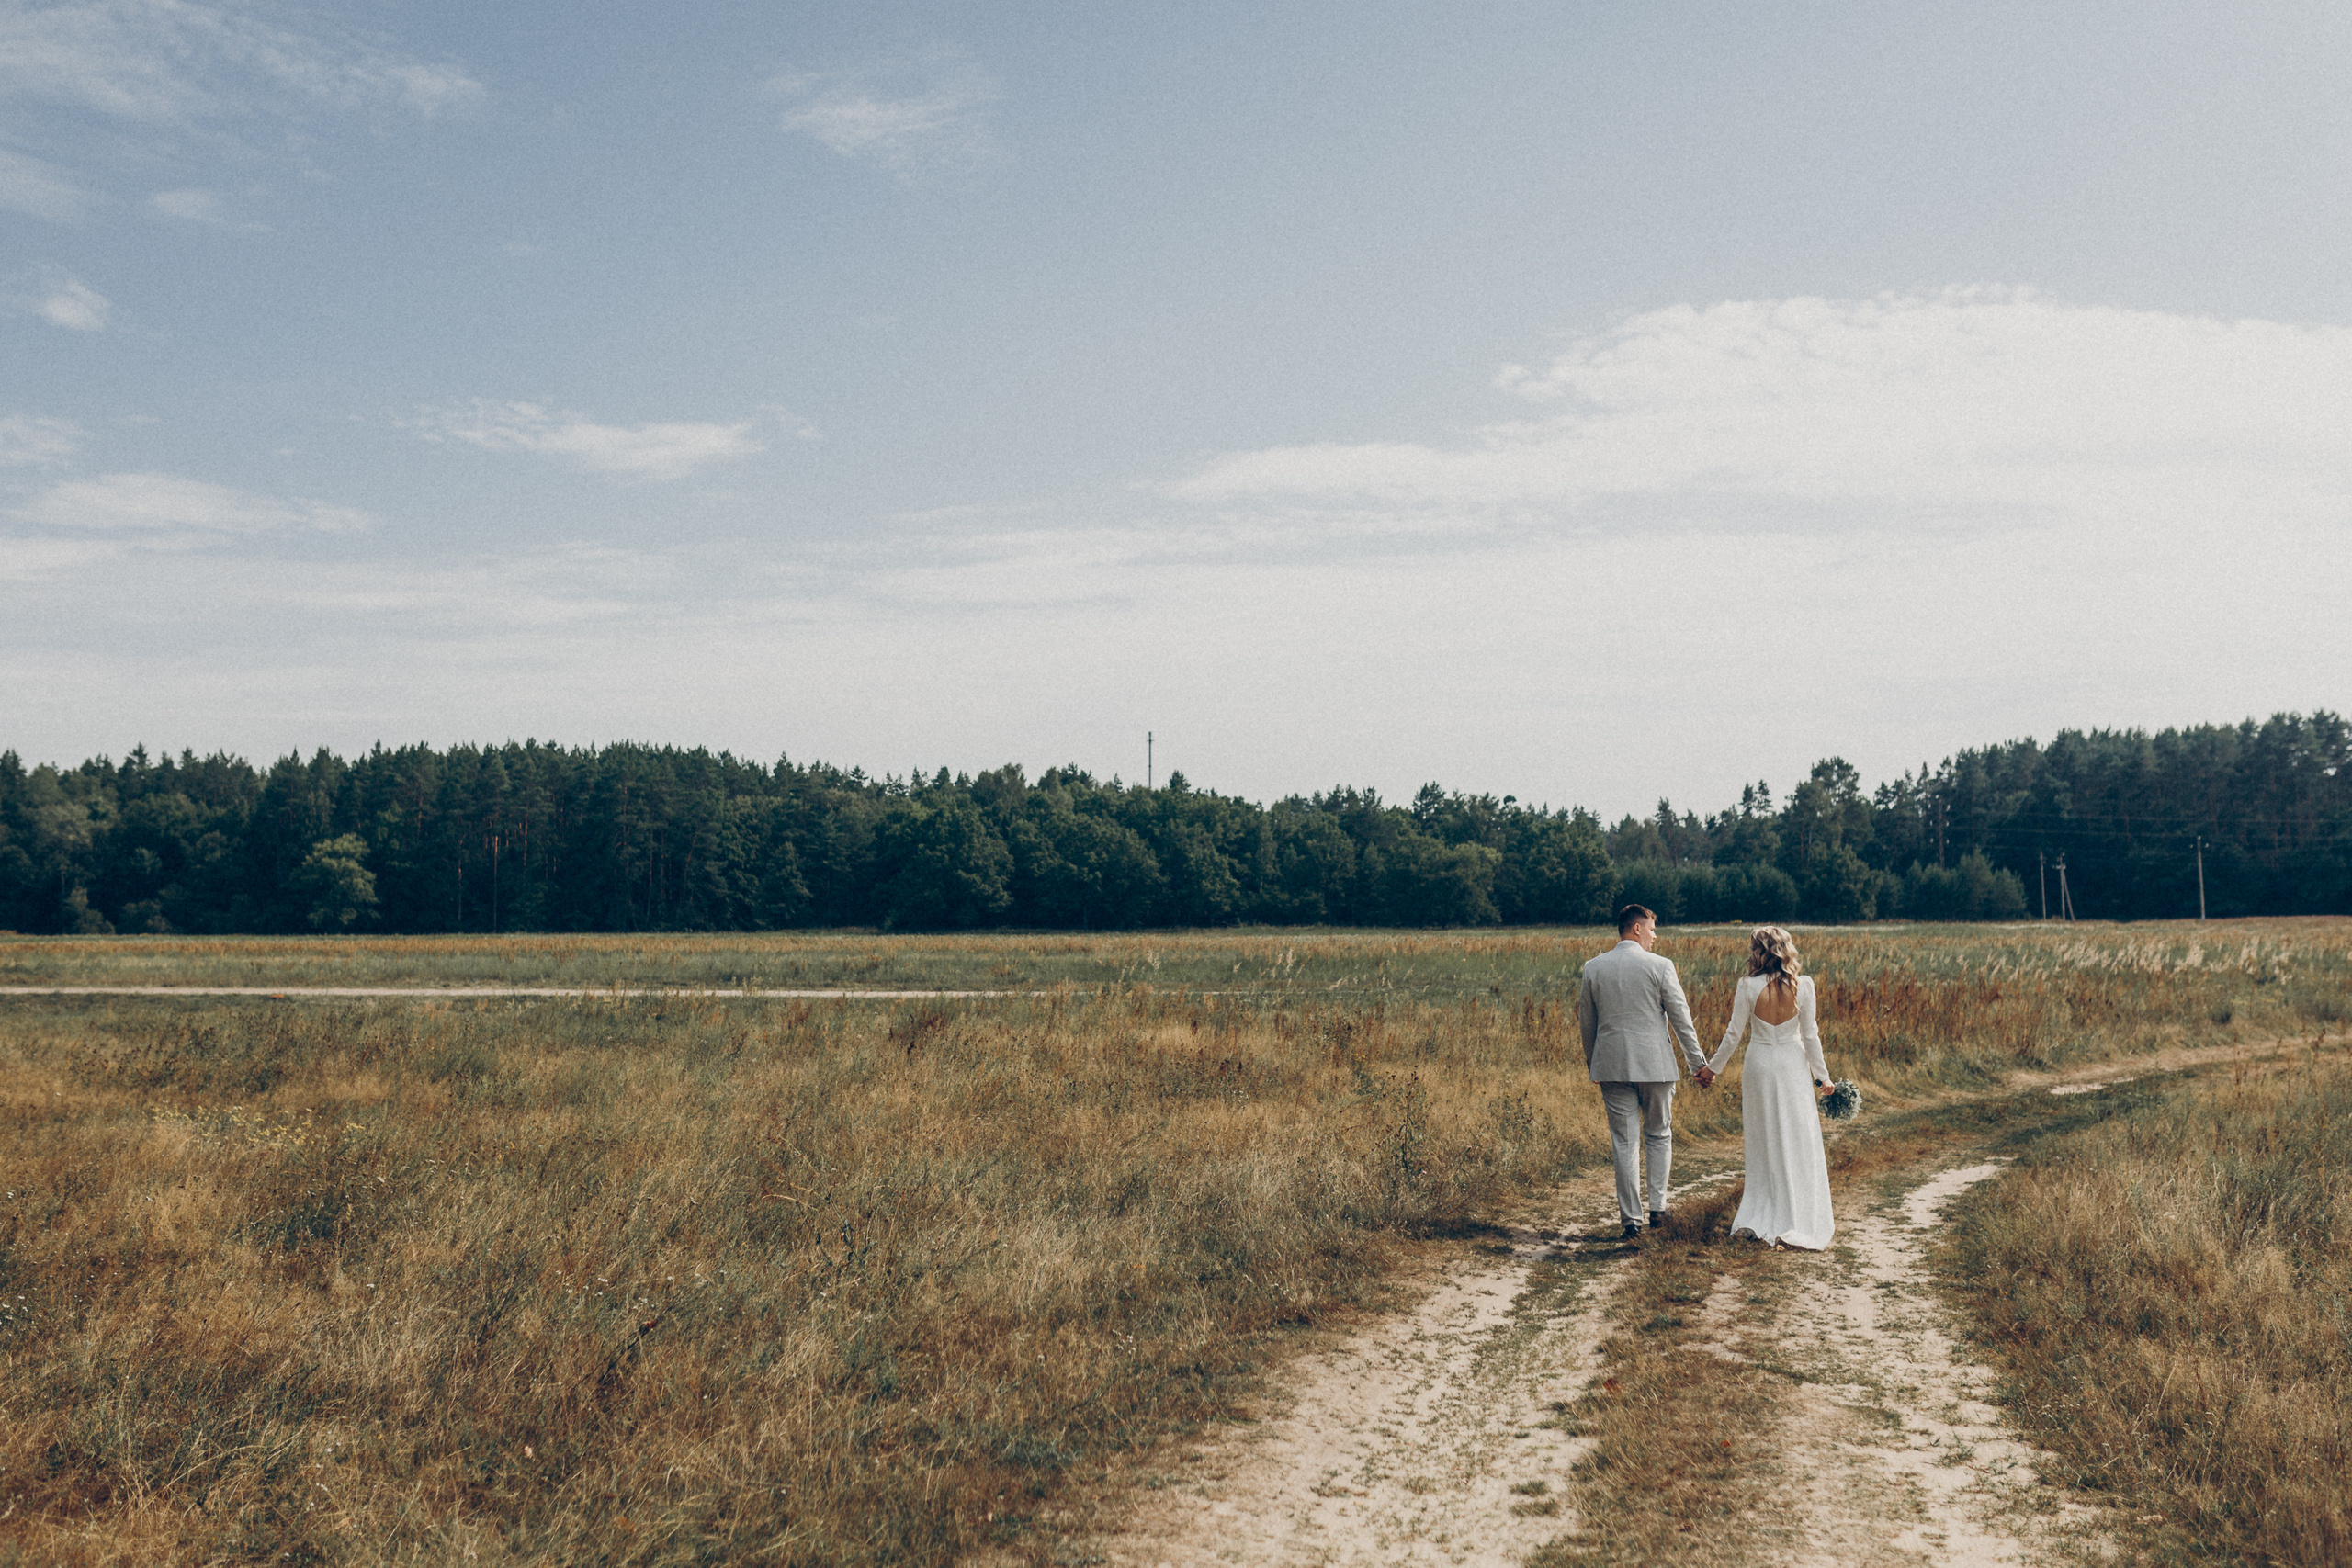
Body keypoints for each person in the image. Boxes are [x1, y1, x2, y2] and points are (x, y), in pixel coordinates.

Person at [1578, 903, 1712, 1242]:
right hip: (1656, 1065)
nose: (1655, 936)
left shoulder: (1593, 968)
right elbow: (1682, 1019)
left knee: (1624, 1142)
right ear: (1636, 928)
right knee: (1659, 1134)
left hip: (1611, 1064)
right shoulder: (1661, 967)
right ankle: (1659, 1210)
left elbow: (1587, 1023)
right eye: (1652, 928)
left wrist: (1593, 1062)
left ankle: (1630, 1223)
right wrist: (1698, 1064)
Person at [1704, 924, 1837, 1250]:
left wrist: (1712, 1069)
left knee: (1764, 1138)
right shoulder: (1804, 986)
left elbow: (1734, 1034)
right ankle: (1796, 1214)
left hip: (1760, 1065)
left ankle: (1762, 1210)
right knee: (1796, 1136)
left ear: (1758, 951)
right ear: (1786, 949)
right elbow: (1810, 1036)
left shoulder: (1747, 986)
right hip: (1792, 1065)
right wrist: (1823, 1077)